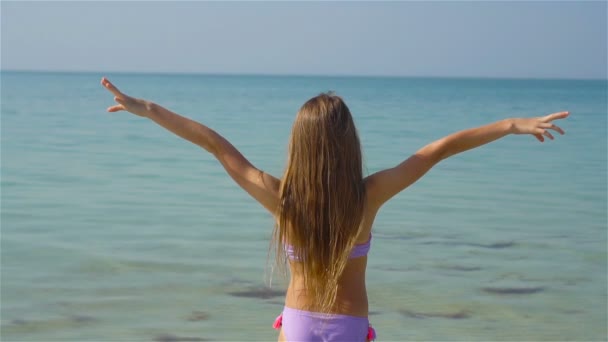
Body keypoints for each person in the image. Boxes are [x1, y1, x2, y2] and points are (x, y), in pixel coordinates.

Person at [101, 77, 568, 342]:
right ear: (350, 145)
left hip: (299, 323)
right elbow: (437, 150)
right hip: (350, 325)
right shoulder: (368, 196)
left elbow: (215, 145)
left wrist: (149, 108)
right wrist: (510, 124)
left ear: (299, 146)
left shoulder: (279, 198)